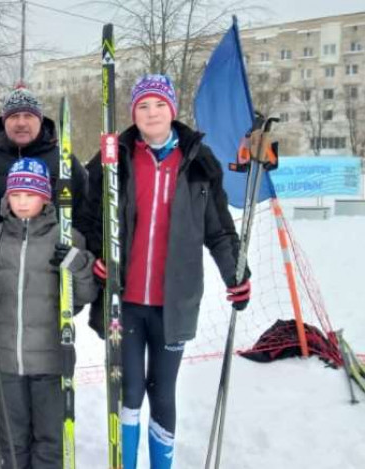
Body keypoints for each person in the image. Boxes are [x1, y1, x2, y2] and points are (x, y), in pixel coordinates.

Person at [81, 74, 252, 469]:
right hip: (124, 303)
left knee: (163, 392)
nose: (152, 112)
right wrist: (95, 254)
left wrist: (236, 275)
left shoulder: (198, 162)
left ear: (173, 110)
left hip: (174, 303)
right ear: (133, 113)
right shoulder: (115, 157)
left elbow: (220, 230)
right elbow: (90, 218)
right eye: (143, 105)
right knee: (129, 390)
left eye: (159, 104)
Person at [0, 85, 89, 463]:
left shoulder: (62, 159)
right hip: (0, 277)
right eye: (14, 116)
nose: (21, 122)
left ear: (39, 119)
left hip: (48, 273)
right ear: (4, 121)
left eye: (28, 115)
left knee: (43, 398)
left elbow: (87, 208)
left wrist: (79, 257)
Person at [0, 158, 98, 468]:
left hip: (51, 360)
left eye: (31, 194)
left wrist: (78, 265)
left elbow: (85, 295)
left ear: (45, 197)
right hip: (4, 361)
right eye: (16, 194)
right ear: (7, 198)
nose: (23, 201)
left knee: (50, 439)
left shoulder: (67, 239)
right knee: (12, 441)